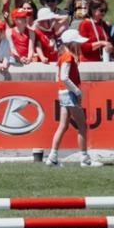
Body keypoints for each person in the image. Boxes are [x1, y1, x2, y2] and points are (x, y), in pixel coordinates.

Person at [43, 27, 91, 167]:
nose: (80, 45)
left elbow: (58, 76)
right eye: (77, 42)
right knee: (82, 126)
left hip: (64, 93)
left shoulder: (63, 55)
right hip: (69, 93)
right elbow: (64, 77)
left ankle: (52, 157)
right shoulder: (68, 56)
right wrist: (77, 91)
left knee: (63, 126)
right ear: (71, 43)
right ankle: (85, 159)